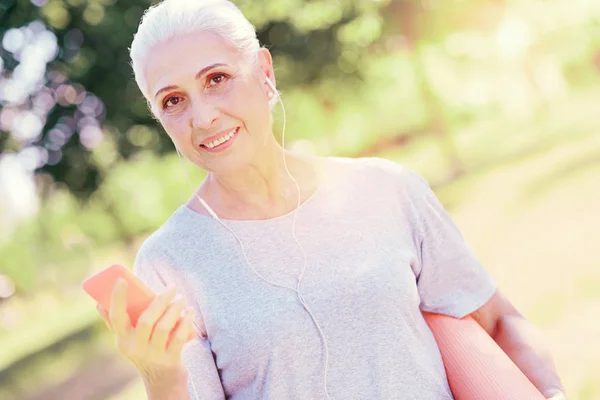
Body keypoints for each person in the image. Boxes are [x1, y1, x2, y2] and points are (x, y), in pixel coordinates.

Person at [97, 0, 567, 399]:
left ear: (263, 73)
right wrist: (160, 378)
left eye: (216, 78)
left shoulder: (388, 190)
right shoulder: (169, 263)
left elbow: (499, 324)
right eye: (173, 101)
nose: (202, 117)